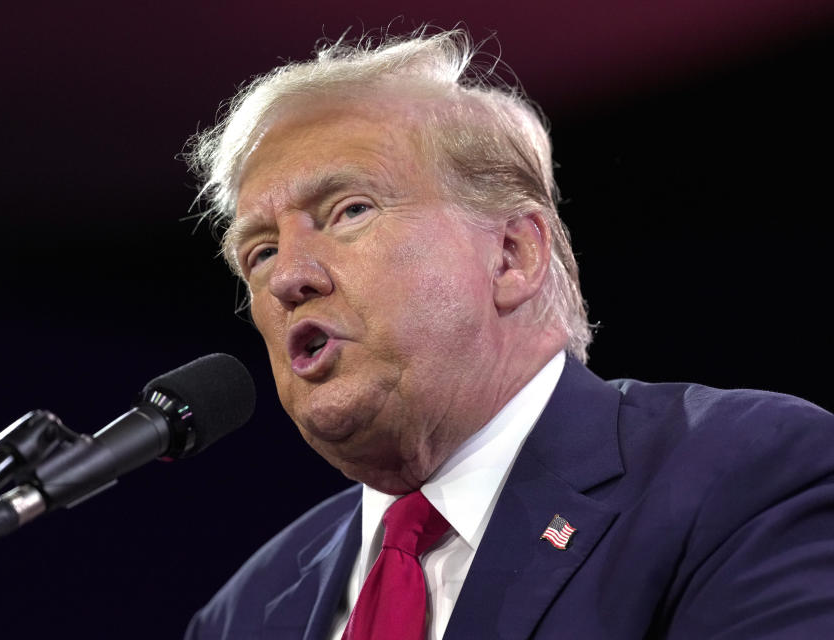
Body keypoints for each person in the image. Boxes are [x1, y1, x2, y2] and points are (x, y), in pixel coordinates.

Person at [182, 28, 834, 639]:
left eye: (350, 211)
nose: (289, 277)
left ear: (512, 256)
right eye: (260, 253)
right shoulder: (243, 613)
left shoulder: (745, 478)